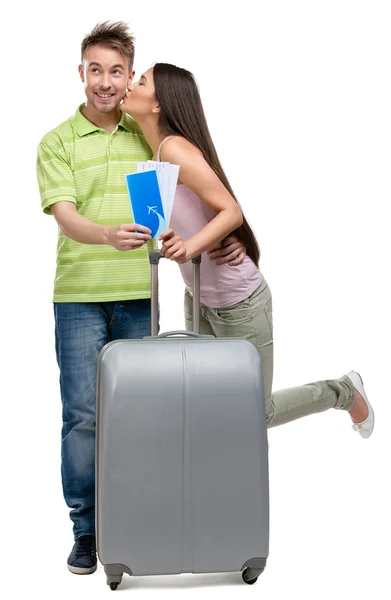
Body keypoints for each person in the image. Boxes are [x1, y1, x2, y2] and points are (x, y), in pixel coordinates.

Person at [36, 23, 245, 576]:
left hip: (140, 295)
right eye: (95, 70)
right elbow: (66, 217)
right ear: (81, 73)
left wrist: (219, 238)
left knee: (141, 417)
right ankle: (87, 529)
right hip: (78, 298)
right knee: (82, 416)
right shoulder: (56, 142)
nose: (106, 82)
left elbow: (198, 195)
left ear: (130, 76)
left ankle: (136, 518)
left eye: (117, 71)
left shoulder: (146, 135)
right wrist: (106, 234)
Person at [120, 63, 375, 434]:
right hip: (200, 299)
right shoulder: (154, 151)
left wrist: (190, 246)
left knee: (258, 412)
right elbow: (181, 217)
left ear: (158, 104)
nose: (130, 83)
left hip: (240, 303)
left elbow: (231, 211)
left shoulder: (174, 148)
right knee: (208, 405)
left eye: (140, 81)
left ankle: (345, 392)